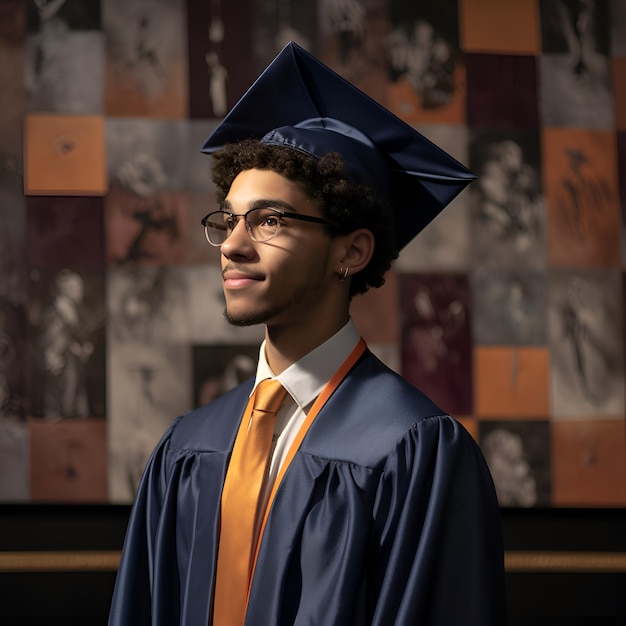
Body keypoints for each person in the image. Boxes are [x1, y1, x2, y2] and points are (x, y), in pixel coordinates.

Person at [108, 42, 506, 626]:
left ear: (352, 250)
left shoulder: (414, 451)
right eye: (228, 219)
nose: (235, 246)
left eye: (270, 220)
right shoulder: (187, 447)